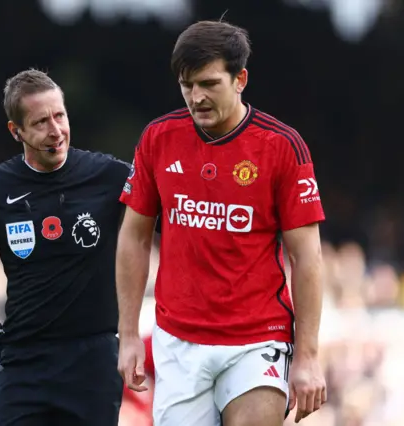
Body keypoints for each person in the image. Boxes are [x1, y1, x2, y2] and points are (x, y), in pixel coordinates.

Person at [116, 20, 327, 426]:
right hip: (178, 339)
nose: (196, 97)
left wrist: (309, 356)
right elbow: (134, 238)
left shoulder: (282, 147)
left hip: (257, 336)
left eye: (209, 83)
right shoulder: (158, 138)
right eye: (186, 85)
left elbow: (307, 258)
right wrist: (128, 335)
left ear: (240, 78)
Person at [0, 68, 129, 426]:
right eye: (40, 122)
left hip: (92, 362)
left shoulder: (110, 176)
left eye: (59, 116)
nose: (56, 131)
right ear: (16, 131)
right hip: (22, 362)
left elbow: (172, 216)